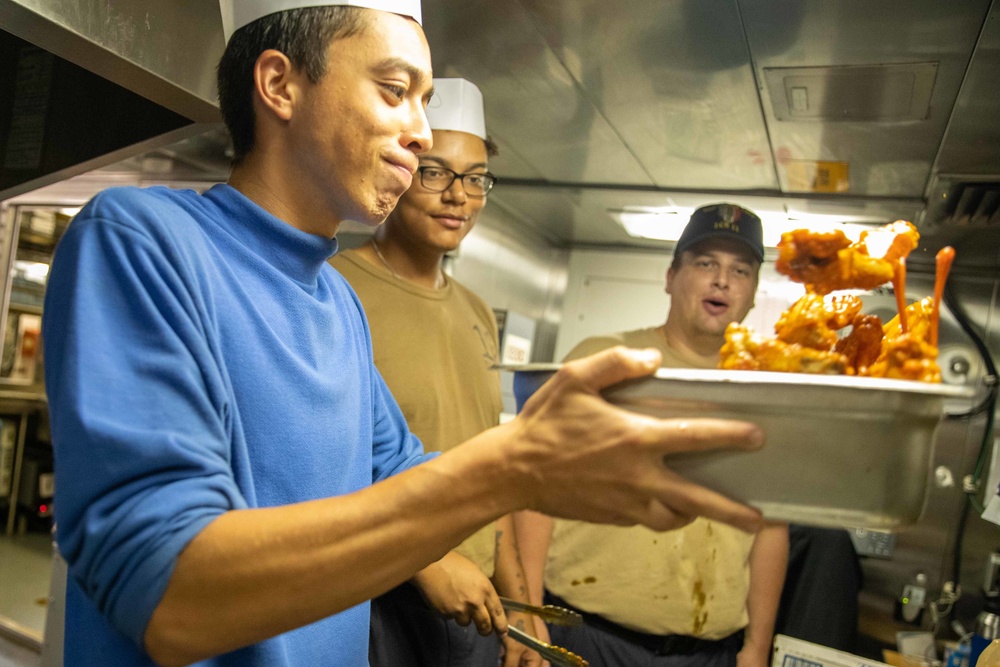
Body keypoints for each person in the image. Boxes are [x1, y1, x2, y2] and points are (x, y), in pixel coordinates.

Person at [41, 3, 767, 665]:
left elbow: (404, 472)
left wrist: (571, 466)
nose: (420, 132)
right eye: (395, 90)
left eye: (424, 101)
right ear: (280, 85)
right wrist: (510, 467)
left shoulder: (334, 302)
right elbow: (170, 596)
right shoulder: (144, 242)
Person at [517, 203, 790, 667]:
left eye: (740, 270)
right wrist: (527, 611)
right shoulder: (604, 360)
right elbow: (534, 486)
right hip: (588, 636)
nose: (722, 280)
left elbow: (771, 524)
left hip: (710, 654)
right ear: (671, 277)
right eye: (705, 264)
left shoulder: (772, 390)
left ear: (753, 290)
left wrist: (757, 646)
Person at [332, 78, 539, 666]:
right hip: (373, 597)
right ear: (398, 166)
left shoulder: (478, 312)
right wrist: (425, 559)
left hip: (474, 605)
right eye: (436, 172)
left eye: (475, 179)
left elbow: (488, 475)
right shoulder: (337, 288)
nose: (459, 197)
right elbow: (319, 464)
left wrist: (520, 609)